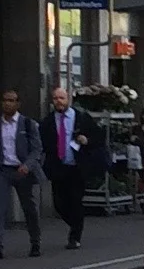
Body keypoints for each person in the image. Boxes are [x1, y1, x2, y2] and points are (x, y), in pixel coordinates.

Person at [39, 85, 105, 249]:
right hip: (58, 167)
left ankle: (75, 235)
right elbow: (43, 143)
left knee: (75, 201)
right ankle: (75, 222)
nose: (59, 102)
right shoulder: (48, 122)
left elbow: (99, 137)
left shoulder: (81, 118)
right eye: (55, 98)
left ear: (68, 100)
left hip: (76, 167)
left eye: (62, 98)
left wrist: (86, 140)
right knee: (59, 204)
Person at [0, 89, 43, 260]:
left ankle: (35, 242)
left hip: (22, 171)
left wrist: (27, 165)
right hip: (2, 170)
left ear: (18, 104)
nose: (8, 103)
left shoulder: (27, 124)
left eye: (12, 100)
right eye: (5, 100)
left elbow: (37, 149)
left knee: (29, 208)